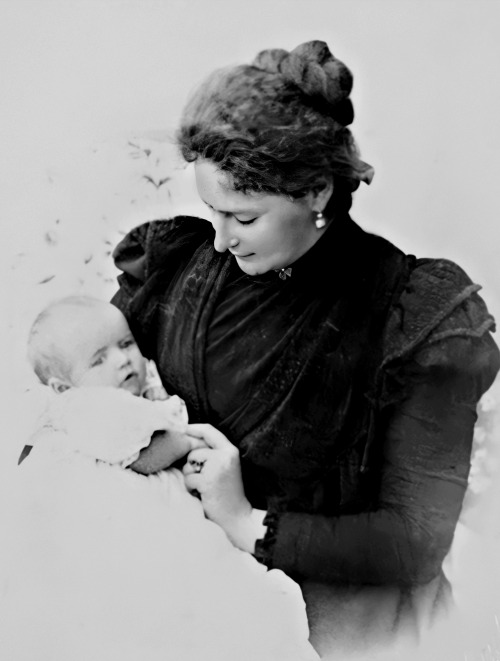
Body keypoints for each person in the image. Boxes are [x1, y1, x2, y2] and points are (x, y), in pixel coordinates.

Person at [110, 40, 500, 658]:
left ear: (317, 191)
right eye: (211, 211)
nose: (220, 242)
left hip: (348, 634)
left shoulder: (410, 316)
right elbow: (81, 386)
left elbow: (418, 537)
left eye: (242, 217)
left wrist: (246, 522)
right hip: (188, 612)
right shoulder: (177, 264)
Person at [0, 296, 319, 661]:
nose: (123, 362)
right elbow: (144, 456)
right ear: (62, 388)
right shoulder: (84, 407)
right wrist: (186, 438)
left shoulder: (123, 402)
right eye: (98, 359)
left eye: (125, 344)